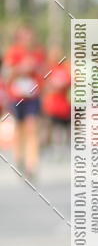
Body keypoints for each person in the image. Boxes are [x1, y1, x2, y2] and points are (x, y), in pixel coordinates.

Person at [3, 26, 46, 181]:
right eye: (25, 36)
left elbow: (45, 72)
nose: (28, 39)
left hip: (32, 97)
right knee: (20, 129)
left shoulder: (39, 52)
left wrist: (36, 68)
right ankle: (19, 158)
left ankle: (32, 164)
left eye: (30, 36)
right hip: (16, 97)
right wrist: (21, 68)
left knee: (32, 128)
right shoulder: (13, 52)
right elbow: (7, 74)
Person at [42, 47, 71, 150]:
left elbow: (70, 82)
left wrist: (61, 85)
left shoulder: (66, 68)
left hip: (64, 104)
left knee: (66, 126)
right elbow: (44, 85)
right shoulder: (48, 68)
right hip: (51, 105)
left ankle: (66, 147)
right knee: (50, 126)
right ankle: (49, 147)